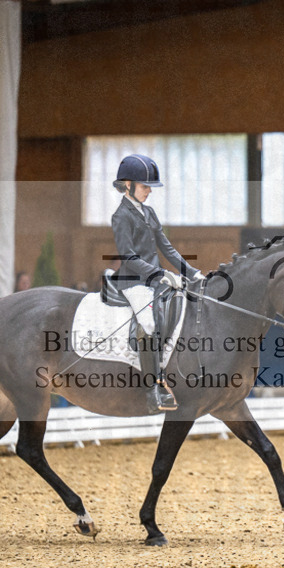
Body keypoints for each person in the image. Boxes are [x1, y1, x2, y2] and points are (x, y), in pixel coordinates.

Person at [110, 154, 203, 413]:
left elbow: (167, 248)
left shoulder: (149, 212)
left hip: (154, 279)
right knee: (148, 324)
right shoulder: (120, 216)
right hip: (133, 282)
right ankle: (153, 388)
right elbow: (128, 257)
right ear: (128, 185)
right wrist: (160, 274)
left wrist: (192, 273)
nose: (149, 191)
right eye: (145, 186)